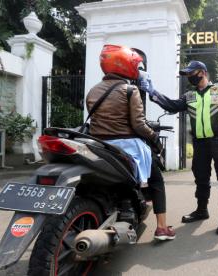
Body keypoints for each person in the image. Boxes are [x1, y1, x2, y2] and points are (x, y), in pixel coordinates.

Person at [139, 60, 218, 235]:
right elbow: (172, 106)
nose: (190, 77)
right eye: (188, 75)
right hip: (200, 144)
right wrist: (153, 92)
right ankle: (201, 210)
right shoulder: (189, 96)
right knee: (201, 179)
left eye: (192, 73)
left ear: (203, 72)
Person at [86, 44, 175, 240]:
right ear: (127, 66)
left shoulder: (92, 91)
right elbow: (138, 125)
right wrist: (154, 137)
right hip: (126, 147)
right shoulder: (129, 90)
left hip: (100, 147)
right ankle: (161, 228)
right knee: (157, 179)